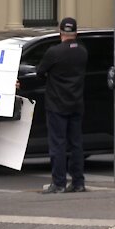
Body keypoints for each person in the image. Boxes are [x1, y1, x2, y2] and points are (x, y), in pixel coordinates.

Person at [37, 17, 88, 194]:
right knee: (76, 144)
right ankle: (78, 182)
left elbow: (40, 72)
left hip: (57, 104)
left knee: (58, 144)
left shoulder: (54, 52)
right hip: (76, 103)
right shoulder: (82, 52)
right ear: (76, 33)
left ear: (60, 33)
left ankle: (58, 183)